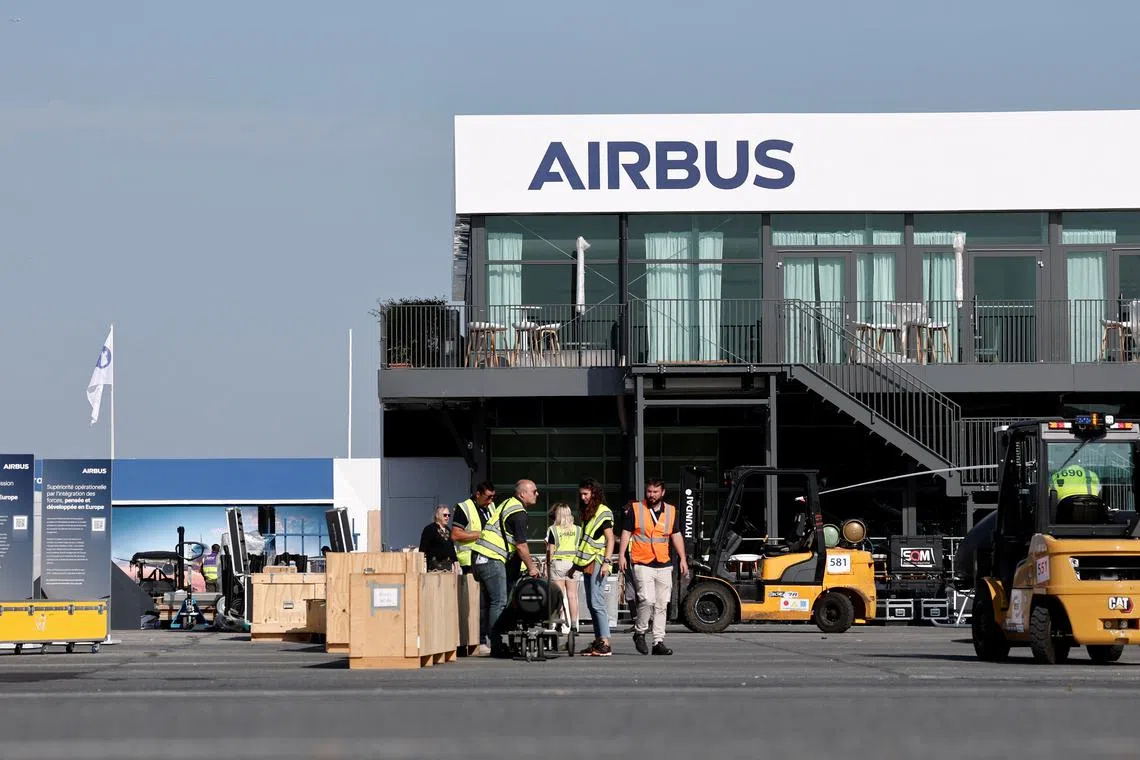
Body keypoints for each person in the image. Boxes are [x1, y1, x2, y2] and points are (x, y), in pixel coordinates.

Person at [618, 477, 689, 656]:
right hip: (642, 562)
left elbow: (676, 535)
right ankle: (640, 632)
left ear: (662, 493)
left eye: (655, 492)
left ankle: (658, 641)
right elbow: (626, 533)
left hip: (664, 563)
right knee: (646, 600)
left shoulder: (671, 511)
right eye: (649, 491)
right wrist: (621, 556)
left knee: (661, 604)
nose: (652, 495)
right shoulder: (636, 509)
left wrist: (682, 558)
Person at [472, 479, 540, 658]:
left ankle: (490, 641)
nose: (537, 494)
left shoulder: (507, 504)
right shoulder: (519, 513)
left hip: (479, 557)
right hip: (491, 558)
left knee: (490, 603)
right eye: (534, 491)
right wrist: (532, 567)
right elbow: (521, 546)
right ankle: (496, 645)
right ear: (522, 494)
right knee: (499, 602)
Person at [571, 477, 615, 657]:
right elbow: (585, 541)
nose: (582, 497)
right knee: (591, 603)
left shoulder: (603, 512)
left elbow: (610, 539)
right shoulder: (588, 513)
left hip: (598, 561)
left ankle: (604, 642)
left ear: (594, 493)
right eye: (581, 494)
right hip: (588, 561)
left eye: (586, 494)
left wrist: (607, 562)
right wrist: (576, 565)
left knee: (597, 603)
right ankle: (599, 642)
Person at [545, 503, 581, 637]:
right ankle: (573, 625)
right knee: (573, 596)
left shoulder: (553, 529)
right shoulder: (578, 529)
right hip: (573, 564)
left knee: (559, 596)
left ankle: (559, 623)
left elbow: (551, 550)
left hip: (558, 563)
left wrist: (548, 566)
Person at [450, 481, 496, 574]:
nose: (490, 501)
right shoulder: (464, 507)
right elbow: (455, 535)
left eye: (493, 497)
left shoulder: (491, 506)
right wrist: (482, 534)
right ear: (478, 494)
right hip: (469, 562)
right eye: (488, 497)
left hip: (487, 558)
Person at [419, 505, 458, 572]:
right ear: (437, 515)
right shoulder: (429, 529)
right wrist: (420, 566)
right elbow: (422, 549)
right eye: (445, 515)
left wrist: (456, 562)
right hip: (434, 568)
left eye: (449, 515)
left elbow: (451, 548)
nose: (447, 517)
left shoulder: (448, 530)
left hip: (447, 568)